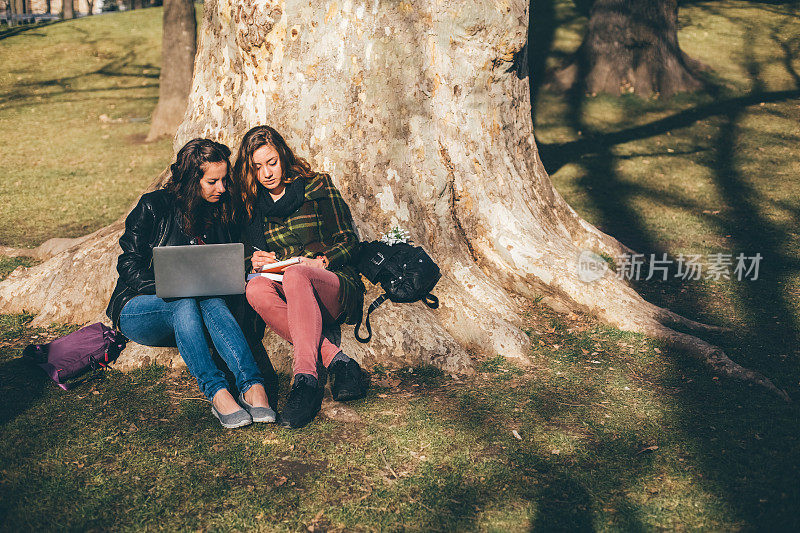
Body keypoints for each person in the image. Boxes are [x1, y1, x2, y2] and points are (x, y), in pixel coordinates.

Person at [106, 139, 275, 429]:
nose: (221, 188)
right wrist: (172, 285)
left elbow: (221, 264)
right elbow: (128, 268)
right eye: (212, 181)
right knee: (185, 299)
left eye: (224, 180)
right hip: (139, 307)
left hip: (199, 307)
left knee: (209, 299)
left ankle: (252, 386)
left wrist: (248, 262)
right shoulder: (153, 206)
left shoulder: (219, 210)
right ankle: (217, 392)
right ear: (190, 179)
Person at [234, 125, 366, 429]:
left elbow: (349, 240)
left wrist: (324, 260)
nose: (266, 173)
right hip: (290, 294)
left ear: (283, 156)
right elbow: (245, 257)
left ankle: (305, 380)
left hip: (331, 284)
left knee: (296, 274)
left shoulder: (317, 187)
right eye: (257, 167)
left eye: (272, 162)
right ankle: (339, 362)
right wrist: (254, 260)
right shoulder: (252, 205)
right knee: (254, 289)